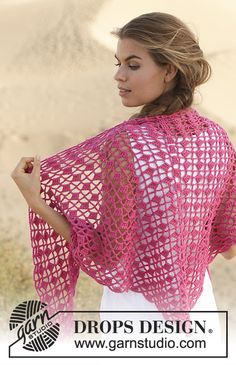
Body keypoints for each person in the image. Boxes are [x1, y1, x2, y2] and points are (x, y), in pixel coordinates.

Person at [11, 12, 236, 346]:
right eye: (118, 63)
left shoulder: (125, 144)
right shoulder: (217, 140)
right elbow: (229, 245)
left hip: (134, 315)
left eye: (133, 65)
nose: (118, 76)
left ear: (169, 69)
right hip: (201, 311)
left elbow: (109, 257)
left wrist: (37, 202)